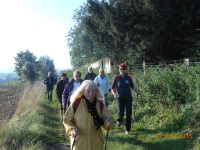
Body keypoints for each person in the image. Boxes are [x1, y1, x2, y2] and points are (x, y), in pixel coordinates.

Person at [63, 80, 113, 150]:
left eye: (93, 91)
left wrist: (108, 123)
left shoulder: (100, 104)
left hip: (96, 144)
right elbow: (67, 120)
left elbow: (107, 118)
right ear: (83, 91)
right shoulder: (76, 103)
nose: (91, 94)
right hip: (80, 143)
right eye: (88, 91)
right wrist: (72, 130)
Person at [111, 63, 141, 135]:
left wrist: (139, 92)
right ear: (119, 69)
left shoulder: (129, 78)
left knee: (128, 113)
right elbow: (112, 88)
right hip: (120, 98)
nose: (122, 70)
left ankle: (127, 129)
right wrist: (114, 94)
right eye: (121, 69)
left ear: (125, 69)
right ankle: (119, 120)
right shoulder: (116, 78)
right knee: (120, 113)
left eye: (124, 69)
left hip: (128, 98)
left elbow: (132, 87)